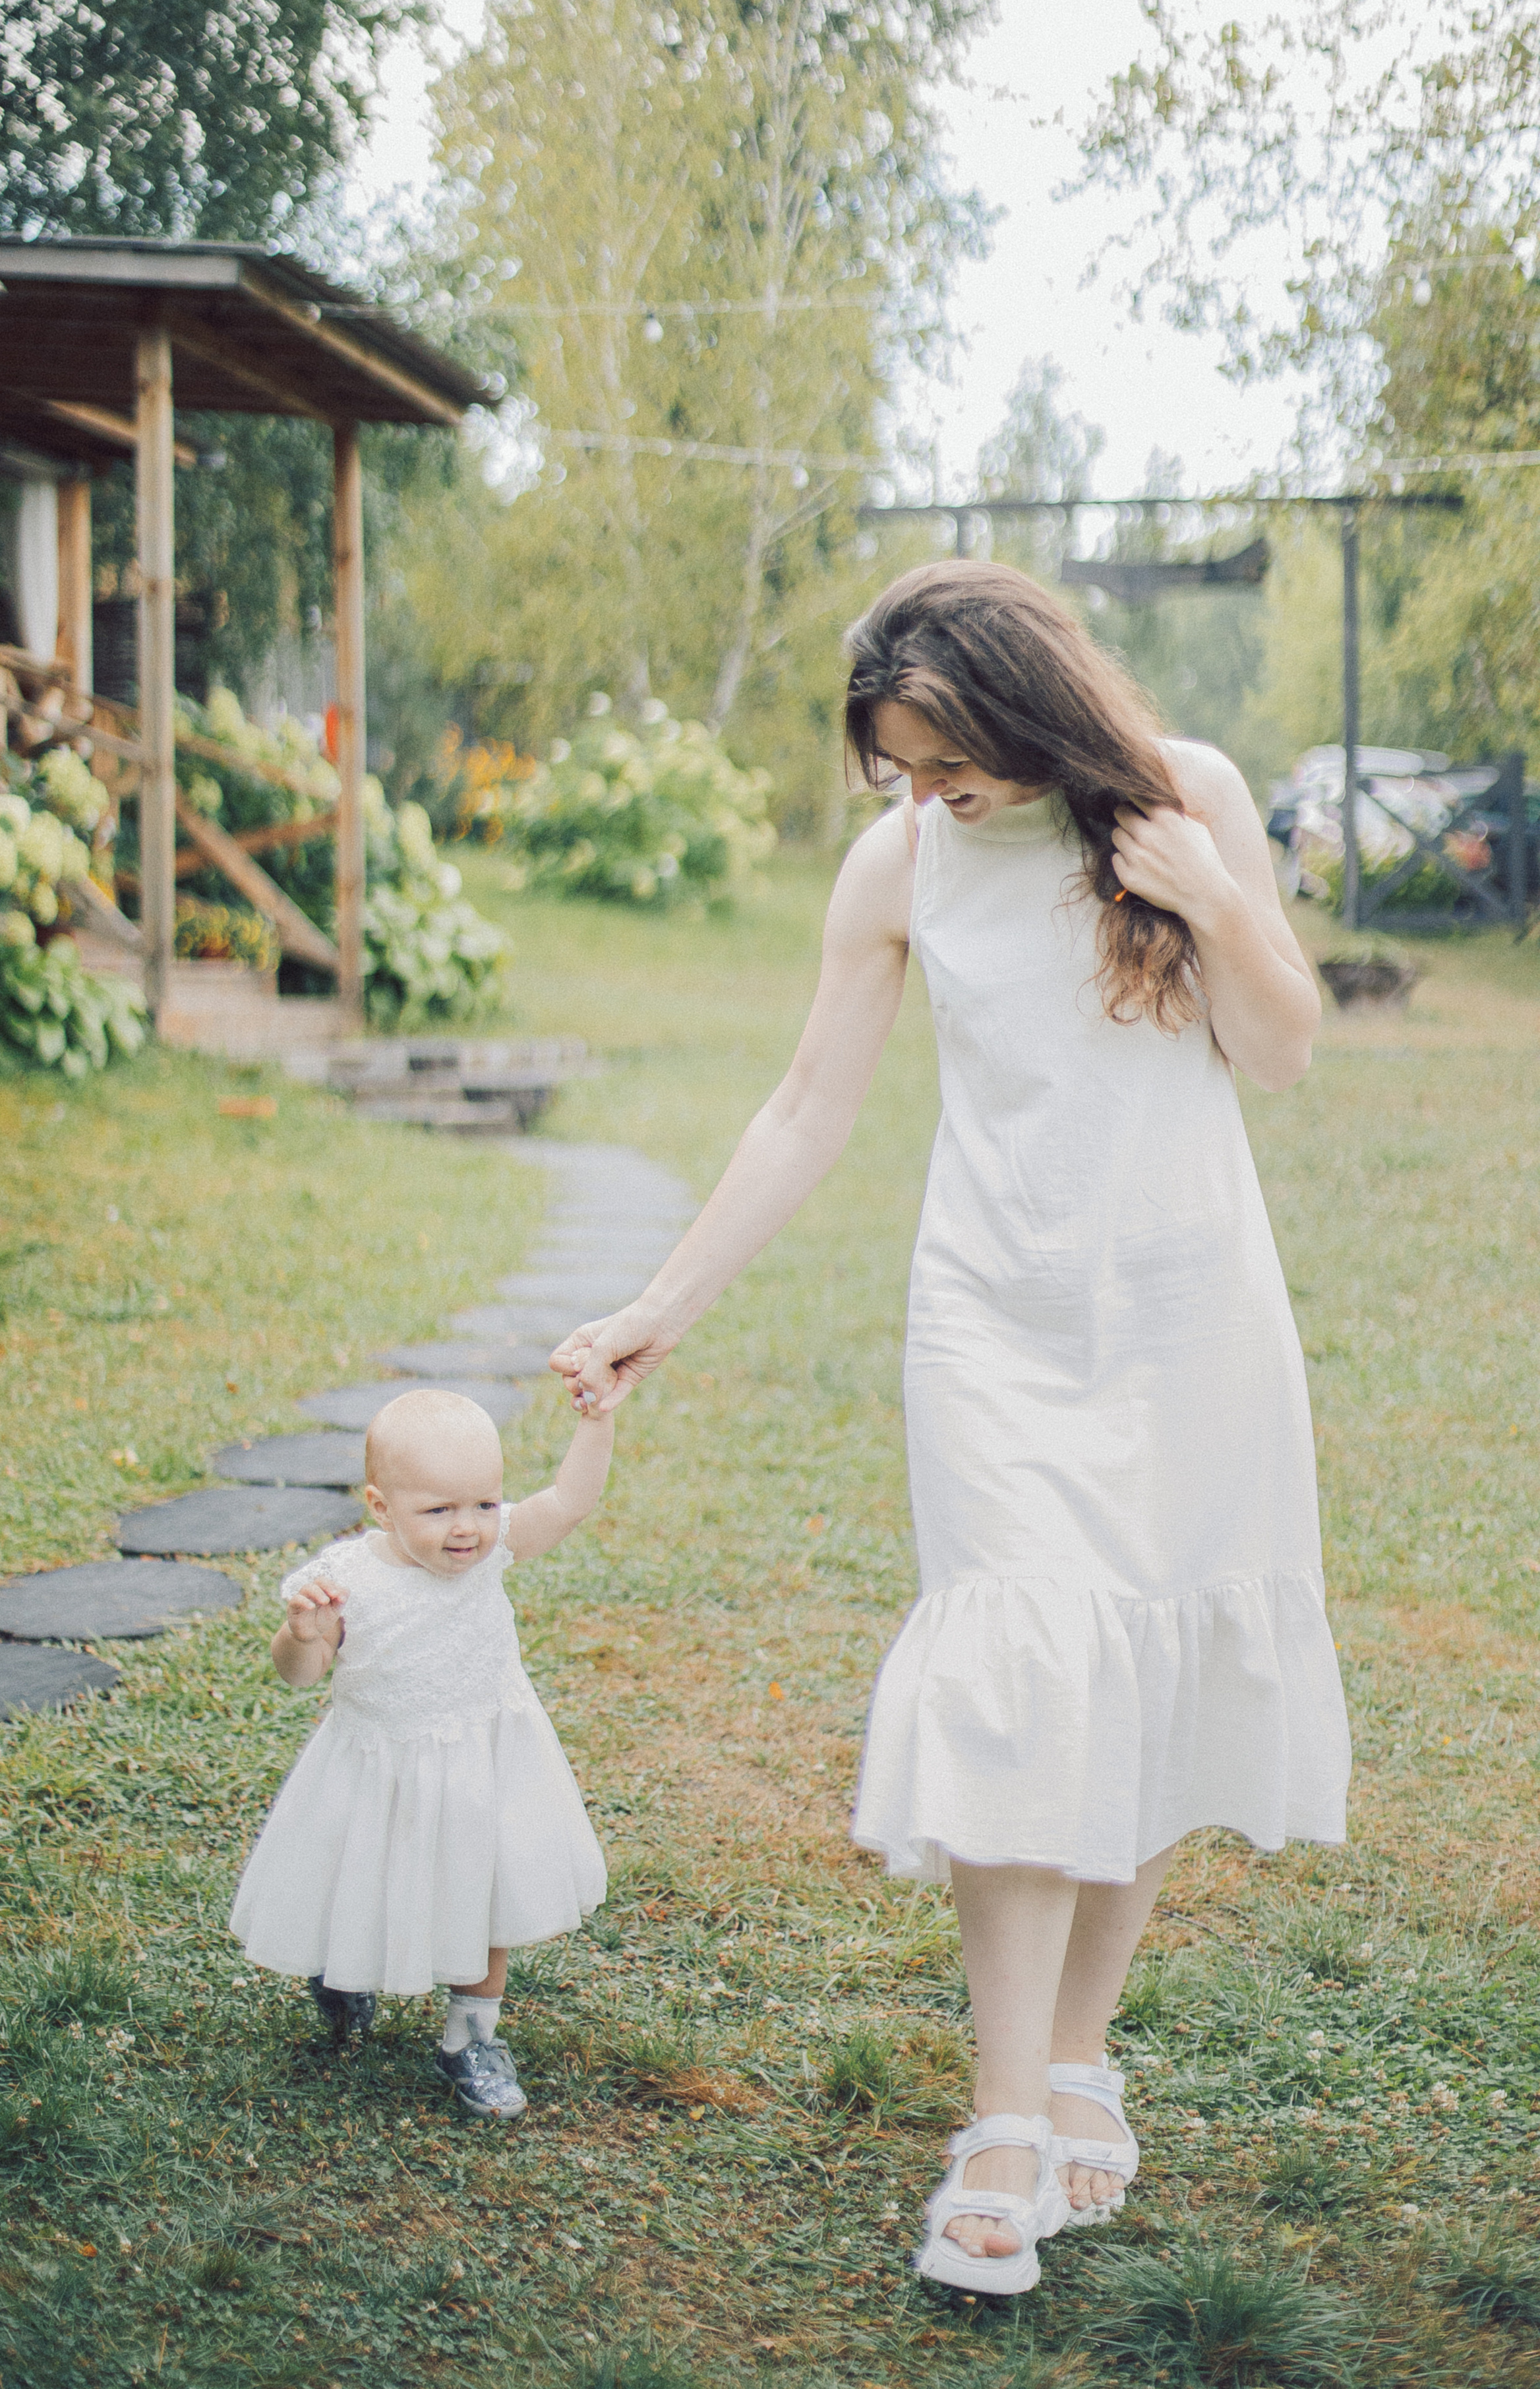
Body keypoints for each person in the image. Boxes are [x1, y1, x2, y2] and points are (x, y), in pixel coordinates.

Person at [553, 559, 1350, 2295]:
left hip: (1188, 1317)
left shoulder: (1185, 795)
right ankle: (1000, 2118)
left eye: (944, 761)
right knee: (1014, 1676)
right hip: (990, 1320)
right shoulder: (898, 865)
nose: (923, 794)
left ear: (1025, 710)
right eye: (897, 769)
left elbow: (1282, 1051)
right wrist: (657, 1308)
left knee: (1146, 1663)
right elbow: (803, 1107)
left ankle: (1076, 2058)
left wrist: (1216, 899)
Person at [229, 1385, 613, 2119]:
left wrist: (597, 1420)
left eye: (485, 1503)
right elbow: (299, 1674)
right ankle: (342, 1972)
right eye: (438, 1511)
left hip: (485, 1762)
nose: (467, 1528)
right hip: (381, 1769)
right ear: (381, 1507)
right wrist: (301, 1636)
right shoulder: (348, 1580)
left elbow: (569, 1501)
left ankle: (472, 2037)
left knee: (487, 1893)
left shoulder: (492, 1548)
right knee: (366, 1878)